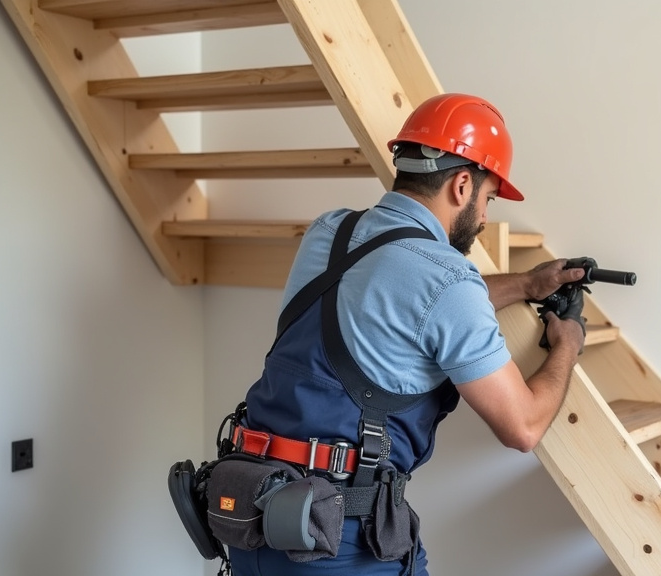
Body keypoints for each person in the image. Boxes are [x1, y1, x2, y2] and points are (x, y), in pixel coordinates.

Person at [226, 93, 587, 575]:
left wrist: (526, 284)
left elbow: (407, 299)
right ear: (463, 184)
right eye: (488, 199)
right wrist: (567, 347)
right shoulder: (448, 278)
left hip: (249, 518)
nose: (484, 218)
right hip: (335, 541)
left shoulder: (329, 231)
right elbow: (523, 427)